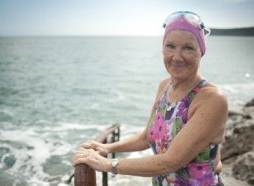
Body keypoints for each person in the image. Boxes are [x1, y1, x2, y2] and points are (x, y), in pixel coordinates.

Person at [73, 11, 228, 186]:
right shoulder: (165, 86)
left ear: (201, 51)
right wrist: (108, 148)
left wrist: (107, 164)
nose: (177, 57)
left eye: (188, 48)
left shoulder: (212, 99)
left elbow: (170, 162)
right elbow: (147, 136)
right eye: (170, 46)